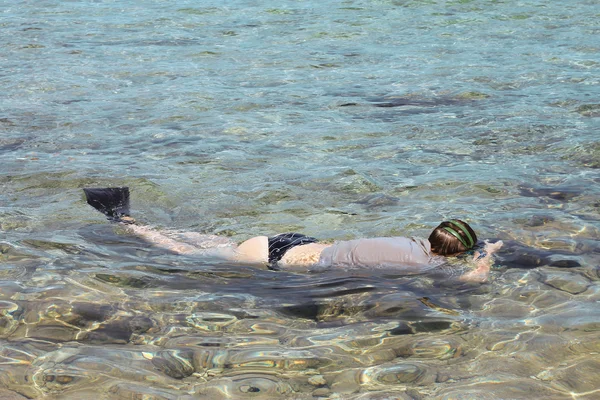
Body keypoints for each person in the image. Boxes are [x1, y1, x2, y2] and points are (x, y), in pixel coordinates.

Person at [83, 187, 503, 282]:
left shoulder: (410, 243)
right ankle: (121, 223)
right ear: (453, 253)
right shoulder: (427, 264)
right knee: (180, 251)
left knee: (205, 241)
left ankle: (128, 216)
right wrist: (489, 254)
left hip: (290, 240)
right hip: (280, 260)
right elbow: (473, 280)